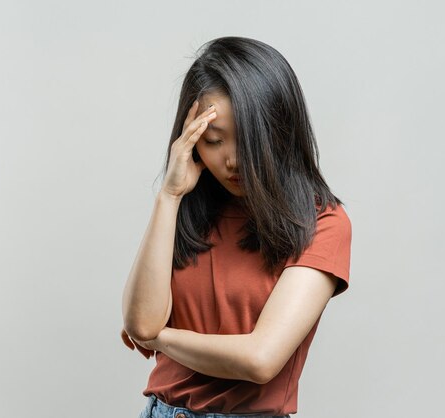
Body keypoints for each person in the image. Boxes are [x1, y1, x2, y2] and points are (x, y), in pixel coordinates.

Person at [121, 36, 352, 418]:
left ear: (280, 128)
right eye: (213, 141)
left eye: (249, 140)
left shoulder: (322, 224)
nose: (231, 160)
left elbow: (260, 359)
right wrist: (169, 195)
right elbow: (140, 318)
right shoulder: (185, 210)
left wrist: (160, 338)